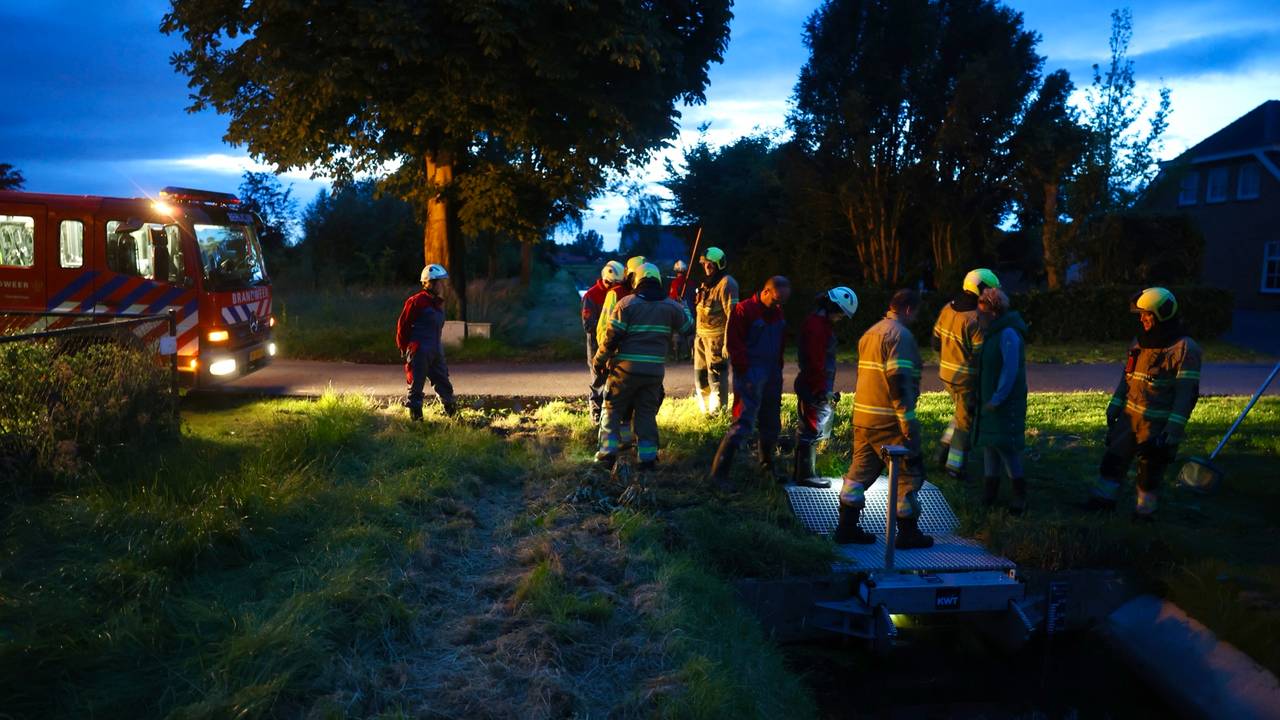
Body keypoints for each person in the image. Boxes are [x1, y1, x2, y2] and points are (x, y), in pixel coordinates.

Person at [1086, 288, 1201, 521]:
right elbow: (1126, 378)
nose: (1142, 319)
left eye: (1147, 314)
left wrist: (1171, 432)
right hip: (1129, 418)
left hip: (1156, 424)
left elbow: (1185, 395)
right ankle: (1103, 502)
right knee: (1113, 460)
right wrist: (1114, 407)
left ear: (1162, 314)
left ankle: (1144, 514)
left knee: (1149, 471)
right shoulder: (1139, 342)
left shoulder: (1185, 349)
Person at [834, 289, 933, 548]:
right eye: (917, 313)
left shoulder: (871, 333)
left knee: (858, 475)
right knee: (908, 476)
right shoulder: (901, 337)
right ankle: (908, 534)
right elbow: (899, 382)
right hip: (888, 420)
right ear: (909, 309)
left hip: (863, 417)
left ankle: (845, 528)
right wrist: (907, 423)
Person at [593, 263, 693, 470]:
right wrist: (684, 307)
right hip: (654, 372)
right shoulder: (671, 307)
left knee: (612, 409)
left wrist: (599, 361)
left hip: (625, 371)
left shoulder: (626, 304)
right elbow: (689, 328)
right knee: (646, 413)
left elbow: (611, 339)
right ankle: (647, 459)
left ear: (635, 280)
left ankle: (606, 455)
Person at [708, 276, 792, 489]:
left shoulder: (777, 311)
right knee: (743, 422)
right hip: (750, 374)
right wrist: (744, 370)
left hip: (772, 372)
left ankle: (766, 465)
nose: (778, 305)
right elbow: (734, 343)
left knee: (771, 422)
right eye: (775, 300)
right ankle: (719, 474)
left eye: (781, 302)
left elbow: (780, 342)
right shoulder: (744, 310)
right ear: (765, 292)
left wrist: (778, 367)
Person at [932, 268, 1000, 480]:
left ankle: (940, 455)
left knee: (961, 414)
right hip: (966, 379)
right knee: (964, 424)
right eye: (990, 290)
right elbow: (982, 355)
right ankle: (955, 467)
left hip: (946, 375)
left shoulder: (948, 308)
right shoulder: (976, 319)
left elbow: (935, 341)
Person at [792, 286, 859, 488]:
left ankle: (804, 473)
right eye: (840, 315)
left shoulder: (818, 322)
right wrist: (820, 390)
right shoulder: (818, 327)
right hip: (813, 386)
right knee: (810, 430)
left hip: (813, 385)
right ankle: (805, 475)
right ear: (834, 307)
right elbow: (815, 361)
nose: (840, 319)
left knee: (809, 428)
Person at [971, 288, 1029, 514]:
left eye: (981, 313)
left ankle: (1019, 495)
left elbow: (1010, 369)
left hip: (1004, 404)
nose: (978, 317)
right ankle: (990, 492)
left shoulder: (1008, 335)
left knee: (1006, 448)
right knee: (990, 445)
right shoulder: (994, 333)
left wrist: (998, 398)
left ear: (994, 313)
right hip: (991, 400)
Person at [396, 264, 456, 420]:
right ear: (429, 282)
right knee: (416, 387)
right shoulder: (416, 301)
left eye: (443, 282)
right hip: (419, 349)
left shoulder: (438, 303)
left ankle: (453, 418)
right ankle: (417, 423)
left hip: (436, 350)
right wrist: (404, 348)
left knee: (444, 383)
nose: (442, 286)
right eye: (439, 282)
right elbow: (403, 326)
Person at [692, 247, 739, 413]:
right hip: (701, 338)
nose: (706, 268)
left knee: (716, 378)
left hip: (717, 341)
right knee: (700, 377)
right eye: (705, 264)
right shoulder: (707, 284)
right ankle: (706, 412)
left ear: (719, 265)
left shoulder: (727, 284)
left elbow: (732, 316)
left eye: (710, 265)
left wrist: (728, 343)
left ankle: (718, 413)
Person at [582, 260, 625, 424]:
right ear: (608, 279)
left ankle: (612, 415)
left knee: (614, 380)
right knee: (598, 380)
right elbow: (588, 325)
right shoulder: (591, 296)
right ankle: (596, 415)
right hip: (595, 343)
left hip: (613, 343)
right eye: (614, 283)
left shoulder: (616, 293)